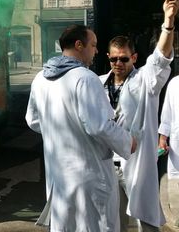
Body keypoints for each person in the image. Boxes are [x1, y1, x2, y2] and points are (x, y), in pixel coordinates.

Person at [26, 24, 135, 232]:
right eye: (93, 45)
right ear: (79, 45)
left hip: (59, 176)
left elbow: (32, 119)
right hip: (90, 178)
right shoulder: (86, 78)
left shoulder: (40, 78)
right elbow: (100, 126)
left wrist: (62, 129)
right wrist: (129, 142)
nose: (96, 50)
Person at [99, 0, 178, 232]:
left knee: (147, 223)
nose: (118, 63)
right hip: (106, 166)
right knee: (112, 225)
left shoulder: (145, 80)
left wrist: (169, 21)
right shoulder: (97, 83)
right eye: (113, 58)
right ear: (108, 58)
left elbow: (161, 57)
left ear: (134, 57)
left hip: (137, 164)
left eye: (124, 58)